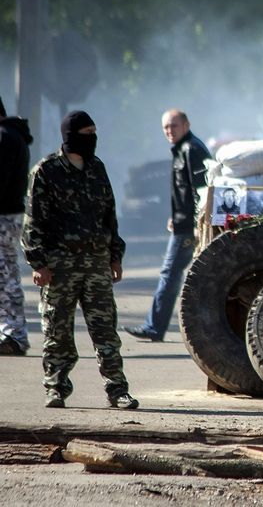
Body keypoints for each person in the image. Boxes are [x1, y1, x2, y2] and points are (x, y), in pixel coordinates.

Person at [21, 110, 138, 409]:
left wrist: (115, 257)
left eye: (94, 133)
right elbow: (33, 222)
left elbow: (109, 217)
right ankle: (55, 387)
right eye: (87, 134)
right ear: (71, 136)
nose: (93, 139)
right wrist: (38, 263)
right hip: (60, 267)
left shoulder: (97, 168)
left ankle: (117, 389)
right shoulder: (46, 171)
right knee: (57, 330)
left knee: (105, 330)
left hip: (96, 264)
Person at [124, 109, 211, 342]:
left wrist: (196, 223)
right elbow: (184, 192)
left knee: (170, 273)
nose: (169, 131)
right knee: (174, 273)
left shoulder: (192, 149)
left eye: (174, 126)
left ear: (186, 125)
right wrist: (176, 215)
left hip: (188, 228)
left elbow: (201, 192)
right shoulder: (183, 148)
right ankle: (156, 326)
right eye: (166, 127)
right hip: (183, 223)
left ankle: (154, 327)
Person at [0, 96, 33, 356]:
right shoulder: (12, 135)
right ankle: (11, 333)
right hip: (10, 215)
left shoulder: (5, 136)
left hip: (4, 216)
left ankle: (13, 335)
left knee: (5, 277)